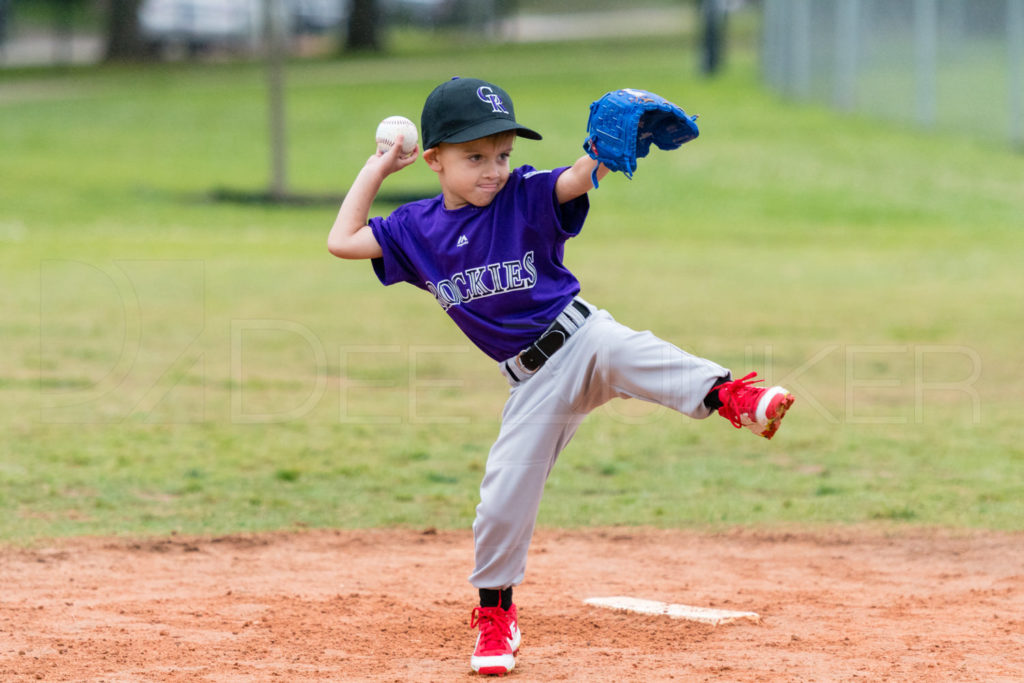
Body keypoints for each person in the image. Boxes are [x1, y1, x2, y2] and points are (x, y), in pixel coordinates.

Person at [327, 76, 795, 676]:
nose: (493, 169)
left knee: (634, 352)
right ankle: (496, 618)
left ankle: (736, 397)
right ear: (436, 159)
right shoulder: (416, 230)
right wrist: (379, 167)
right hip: (531, 384)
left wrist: (599, 156)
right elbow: (341, 240)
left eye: (502, 154)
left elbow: (573, 178)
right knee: (501, 499)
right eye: (474, 157)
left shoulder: (523, 194)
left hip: (582, 337)